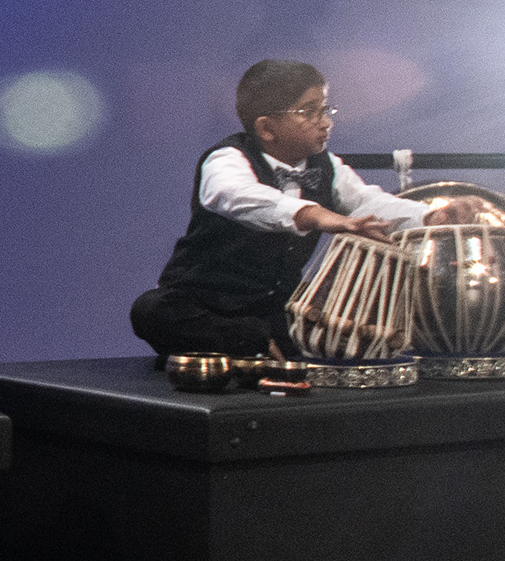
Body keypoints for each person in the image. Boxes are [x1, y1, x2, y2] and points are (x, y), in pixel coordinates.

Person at [130, 58, 458, 359]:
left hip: (276, 307)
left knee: (326, 326)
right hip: (204, 304)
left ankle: (260, 345)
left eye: (326, 110)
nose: (325, 123)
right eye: (309, 112)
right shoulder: (227, 158)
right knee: (151, 310)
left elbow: (367, 201)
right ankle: (246, 343)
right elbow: (235, 195)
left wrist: (430, 215)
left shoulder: (326, 165)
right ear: (266, 129)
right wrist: (315, 215)